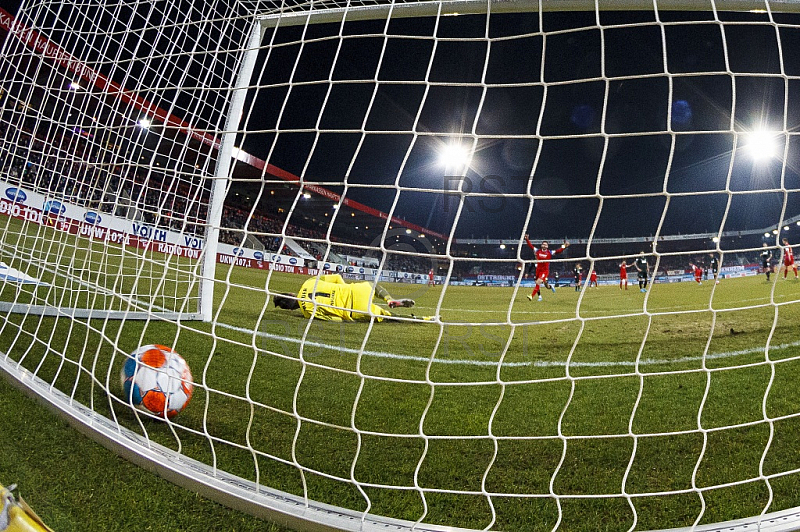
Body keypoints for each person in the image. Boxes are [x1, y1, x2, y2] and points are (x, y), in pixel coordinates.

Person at [272, 273, 414, 322]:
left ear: (291, 309)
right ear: (292, 294)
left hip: (355, 310)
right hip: (357, 291)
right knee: (372, 285)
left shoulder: (308, 313)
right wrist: (344, 289)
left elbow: (337, 319)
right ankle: (389, 300)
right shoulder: (309, 282)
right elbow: (336, 277)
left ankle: (421, 319)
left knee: (387, 317)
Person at [524, 234, 569, 301]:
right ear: (541, 245)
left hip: (544, 271)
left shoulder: (550, 252)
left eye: (546, 244)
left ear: (547, 246)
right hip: (538, 270)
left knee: (538, 282)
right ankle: (551, 286)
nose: (544, 245)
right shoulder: (537, 251)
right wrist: (527, 239)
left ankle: (532, 296)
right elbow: (531, 246)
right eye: (543, 244)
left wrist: (564, 247)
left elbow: (558, 251)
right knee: (546, 286)